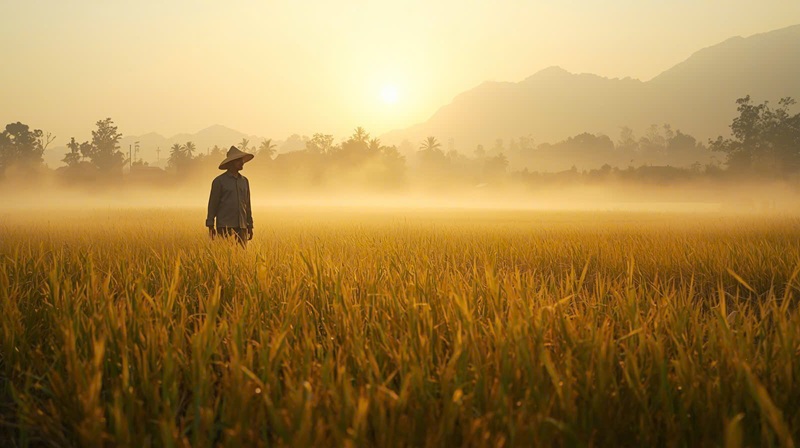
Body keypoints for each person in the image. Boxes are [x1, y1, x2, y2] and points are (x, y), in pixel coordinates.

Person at [206, 146, 254, 247]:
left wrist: (250, 225)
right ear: (231, 163)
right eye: (238, 161)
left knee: (242, 256)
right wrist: (210, 225)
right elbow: (213, 204)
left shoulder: (244, 181)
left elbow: (247, 205)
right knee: (225, 255)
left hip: (242, 226)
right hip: (225, 226)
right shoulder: (219, 181)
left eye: (242, 160)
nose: (242, 163)